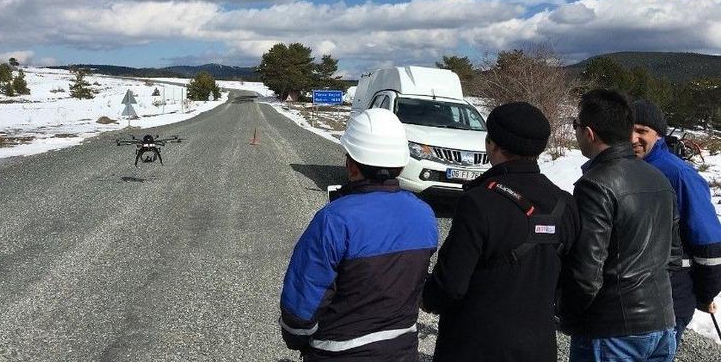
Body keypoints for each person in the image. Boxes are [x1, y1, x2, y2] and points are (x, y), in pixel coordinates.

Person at [420, 101, 580, 361]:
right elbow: (573, 277)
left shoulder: (479, 201)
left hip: (475, 345)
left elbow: (451, 284)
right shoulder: (564, 202)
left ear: (491, 144)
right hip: (538, 346)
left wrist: (427, 298)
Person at [279, 108, 438, 361]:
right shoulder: (424, 214)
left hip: (338, 353)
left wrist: (297, 337)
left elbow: (302, 302)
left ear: (351, 165)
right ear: (401, 162)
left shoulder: (334, 219)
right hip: (402, 350)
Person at [560, 89, 681, 362]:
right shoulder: (659, 178)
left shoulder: (595, 184)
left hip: (612, 328)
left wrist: (566, 314)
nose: (576, 132)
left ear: (589, 133)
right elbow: (672, 256)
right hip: (661, 321)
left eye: (576, 126)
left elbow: (587, 272)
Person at [631, 99, 721, 346]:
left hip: (672, 294)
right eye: (627, 129)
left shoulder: (677, 173)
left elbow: (709, 241)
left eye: (641, 131)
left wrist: (705, 292)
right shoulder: (625, 167)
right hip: (632, 296)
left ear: (658, 134)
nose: (632, 138)